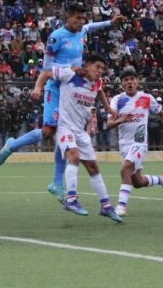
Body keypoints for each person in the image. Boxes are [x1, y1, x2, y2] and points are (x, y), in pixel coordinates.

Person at [0, 4, 125, 203]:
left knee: (63, 134)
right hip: (55, 87)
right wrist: (67, 70)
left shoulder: (82, 30)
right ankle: (13, 145)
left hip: (71, 88)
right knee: (48, 131)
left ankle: (57, 184)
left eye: (83, 19)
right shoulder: (56, 37)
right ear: (68, 18)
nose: (81, 22)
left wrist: (110, 22)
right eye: (78, 19)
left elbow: (92, 27)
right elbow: (46, 67)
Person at [48, 55, 122, 223]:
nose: (100, 71)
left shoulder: (96, 83)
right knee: (73, 156)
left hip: (81, 131)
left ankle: (106, 206)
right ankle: (71, 200)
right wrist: (38, 88)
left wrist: (109, 108)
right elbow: (46, 73)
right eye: (97, 67)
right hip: (64, 126)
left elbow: (100, 90)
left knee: (93, 167)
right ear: (86, 66)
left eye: (102, 68)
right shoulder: (70, 75)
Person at [107, 68, 163, 217]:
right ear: (121, 84)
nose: (129, 82)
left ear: (137, 81)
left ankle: (121, 207)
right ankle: (162, 179)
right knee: (138, 182)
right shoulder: (117, 100)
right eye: (126, 80)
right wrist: (121, 120)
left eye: (132, 79)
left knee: (125, 170)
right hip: (124, 145)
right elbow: (109, 124)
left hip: (139, 144)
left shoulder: (146, 98)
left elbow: (161, 113)